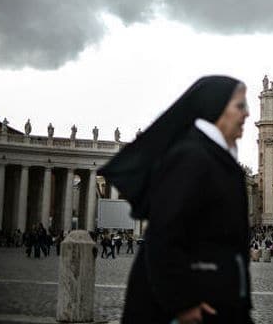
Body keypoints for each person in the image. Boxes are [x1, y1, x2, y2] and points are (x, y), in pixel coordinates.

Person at [99, 76, 252, 323]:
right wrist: (182, 303)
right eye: (240, 106)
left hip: (216, 298)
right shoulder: (190, 156)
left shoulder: (218, 157)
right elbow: (163, 234)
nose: (247, 114)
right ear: (216, 107)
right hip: (185, 308)